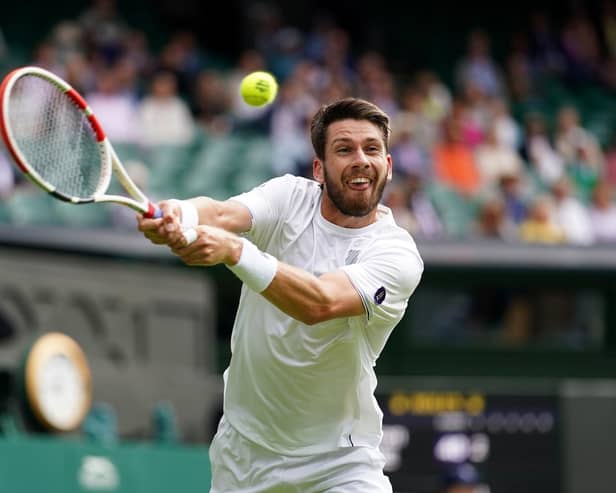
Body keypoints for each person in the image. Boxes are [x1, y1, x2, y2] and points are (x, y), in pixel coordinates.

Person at [137, 97, 424, 492]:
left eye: (372, 149)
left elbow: (320, 302)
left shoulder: (396, 253)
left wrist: (235, 251)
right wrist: (178, 213)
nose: (360, 159)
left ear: (388, 167)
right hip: (244, 460)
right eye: (344, 149)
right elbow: (221, 215)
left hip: (340, 464)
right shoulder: (289, 197)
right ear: (319, 169)